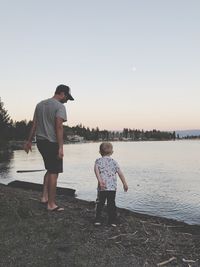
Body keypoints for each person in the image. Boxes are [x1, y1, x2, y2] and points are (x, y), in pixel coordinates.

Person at [23, 84, 74, 211]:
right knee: (54, 172)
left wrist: (29, 141)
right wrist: (61, 147)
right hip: (52, 143)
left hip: (40, 142)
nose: (67, 100)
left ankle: (44, 197)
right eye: (67, 97)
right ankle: (51, 204)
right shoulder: (59, 106)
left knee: (49, 168)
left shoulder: (40, 104)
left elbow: (34, 124)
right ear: (62, 93)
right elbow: (59, 127)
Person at [94, 142, 128, 226]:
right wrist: (124, 183)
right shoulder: (114, 162)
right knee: (111, 204)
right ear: (112, 152)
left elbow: (96, 171)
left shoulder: (98, 161)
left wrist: (100, 180)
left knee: (100, 203)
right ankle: (112, 221)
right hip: (112, 188)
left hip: (102, 187)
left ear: (100, 152)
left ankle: (97, 220)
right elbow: (120, 173)